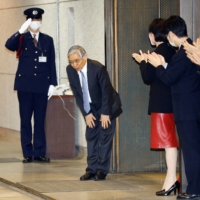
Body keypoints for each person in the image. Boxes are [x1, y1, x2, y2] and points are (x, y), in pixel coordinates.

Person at [147, 15, 200, 199]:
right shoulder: (191, 49)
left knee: (191, 151)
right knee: (195, 149)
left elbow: (169, 78)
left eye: (168, 36)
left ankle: (194, 190)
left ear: (170, 34)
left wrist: (159, 66)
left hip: (186, 110)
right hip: (193, 107)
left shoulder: (183, 53)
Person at [132, 18, 179, 196]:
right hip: (174, 102)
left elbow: (148, 78)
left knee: (168, 143)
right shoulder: (173, 52)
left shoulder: (157, 53)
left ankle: (171, 180)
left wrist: (142, 61)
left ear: (153, 35)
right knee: (171, 142)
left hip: (161, 103)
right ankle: (171, 180)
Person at [5, 8, 57, 163]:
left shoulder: (47, 40)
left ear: (41, 21)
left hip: (42, 86)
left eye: (37, 20)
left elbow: (51, 63)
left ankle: (39, 152)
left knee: (40, 120)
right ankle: (28, 153)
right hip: (25, 87)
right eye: (32, 20)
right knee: (26, 120)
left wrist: (52, 83)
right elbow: (9, 45)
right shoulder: (22, 39)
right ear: (28, 22)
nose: (35, 23)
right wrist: (20, 30)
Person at [66, 45, 122, 181]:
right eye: (71, 62)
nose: (74, 65)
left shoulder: (98, 68)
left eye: (77, 61)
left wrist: (105, 113)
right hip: (90, 107)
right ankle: (91, 169)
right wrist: (87, 113)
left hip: (107, 106)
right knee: (91, 137)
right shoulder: (70, 70)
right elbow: (78, 93)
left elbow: (106, 92)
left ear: (85, 56)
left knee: (104, 138)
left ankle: (102, 170)